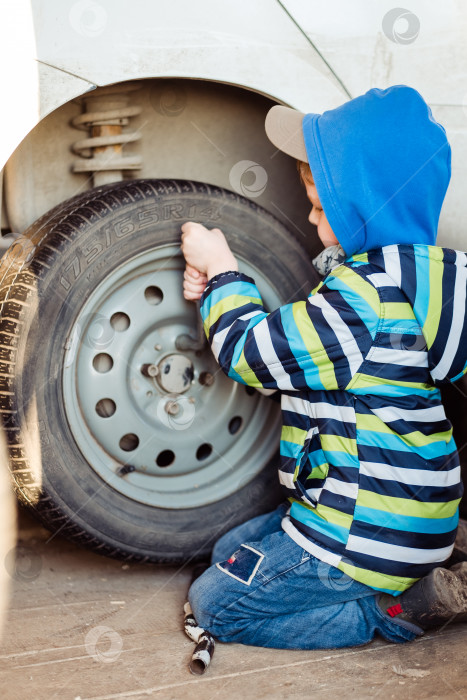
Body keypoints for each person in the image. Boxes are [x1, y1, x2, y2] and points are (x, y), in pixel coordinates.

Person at [180, 85, 467, 650]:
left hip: (363, 529)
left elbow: (252, 353)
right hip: (417, 514)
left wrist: (222, 273)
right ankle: (427, 567)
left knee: (216, 602)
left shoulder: (362, 300)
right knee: (229, 551)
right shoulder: (427, 279)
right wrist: (213, 293)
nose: (311, 218)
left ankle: (390, 612)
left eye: (320, 205)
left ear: (365, 206)